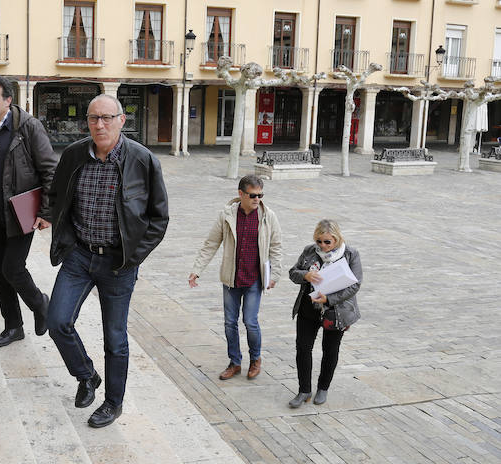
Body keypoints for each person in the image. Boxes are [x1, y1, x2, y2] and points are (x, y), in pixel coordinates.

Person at [46, 94, 168, 428]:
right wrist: (64, 237)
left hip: (118, 263)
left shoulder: (142, 160)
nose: (100, 125)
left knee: (114, 338)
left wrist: (134, 257)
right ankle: (86, 375)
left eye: (107, 118)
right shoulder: (74, 155)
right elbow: (56, 196)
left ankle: (113, 403)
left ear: (121, 120)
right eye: (93, 118)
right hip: (80, 255)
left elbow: (159, 217)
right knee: (56, 320)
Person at [0, 76, 57, 348]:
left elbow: (50, 171)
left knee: (13, 268)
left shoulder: (28, 127)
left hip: (21, 213)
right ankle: (13, 326)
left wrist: (46, 212)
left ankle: (41, 305)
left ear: (8, 100)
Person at [188, 175, 282, 381]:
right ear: (241, 194)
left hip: (254, 279)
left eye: (260, 195)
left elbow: (276, 247)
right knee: (230, 323)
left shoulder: (268, 216)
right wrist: (197, 269)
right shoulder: (227, 215)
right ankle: (235, 362)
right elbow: (211, 243)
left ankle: (255, 359)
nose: (257, 199)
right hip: (231, 279)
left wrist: (274, 275)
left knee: (250, 321)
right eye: (253, 195)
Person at [287, 219, 362, 407]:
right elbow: (292, 272)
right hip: (308, 307)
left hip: (335, 311)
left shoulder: (351, 254)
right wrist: (305, 275)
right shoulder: (309, 251)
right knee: (303, 348)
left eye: (327, 242)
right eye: (319, 241)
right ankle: (304, 390)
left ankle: (323, 388)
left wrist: (329, 299)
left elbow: (355, 284)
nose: (323, 245)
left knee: (330, 350)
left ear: (337, 239)